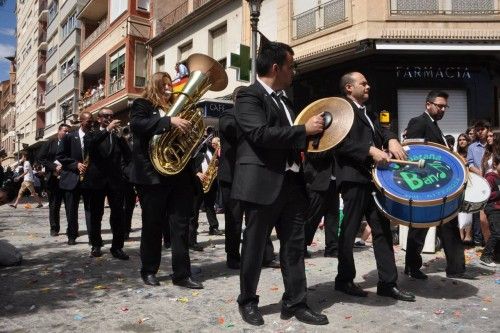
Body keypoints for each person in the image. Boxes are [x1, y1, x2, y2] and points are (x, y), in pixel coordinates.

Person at [231, 39, 328, 326]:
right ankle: (247, 301)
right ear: (276, 67)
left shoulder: (286, 100)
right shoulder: (249, 96)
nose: (293, 71)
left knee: (295, 247)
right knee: (255, 246)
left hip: (292, 183)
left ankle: (295, 302)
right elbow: (259, 134)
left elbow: (293, 137)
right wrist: (303, 129)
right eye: (290, 66)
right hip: (262, 183)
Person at [333, 72, 415, 302]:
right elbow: (338, 142)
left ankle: (388, 283)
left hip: (374, 179)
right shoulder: (340, 108)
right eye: (363, 83)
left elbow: (382, 129)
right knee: (349, 232)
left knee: (382, 230)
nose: (368, 86)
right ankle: (344, 280)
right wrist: (370, 150)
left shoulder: (368, 111)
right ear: (349, 88)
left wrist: (391, 139)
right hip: (353, 178)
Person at [129, 71, 202, 289]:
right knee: (153, 224)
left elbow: (188, 141)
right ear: (155, 85)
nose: (169, 88)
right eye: (165, 85)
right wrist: (169, 120)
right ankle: (149, 270)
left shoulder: (177, 106)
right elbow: (137, 125)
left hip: (178, 176)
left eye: (170, 85)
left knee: (180, 226)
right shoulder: (142, 104)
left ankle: (182, 274)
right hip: (152, 176)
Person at [404, 90, 471, 280]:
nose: (443, 109)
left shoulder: (435, 126)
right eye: (439, 105)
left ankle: (456, 268)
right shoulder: (419, 122)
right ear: (428, 104)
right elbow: (412, 152)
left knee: (448, 225)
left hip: (442, 187)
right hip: (427, 187)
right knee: (419, 227)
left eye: (445, 107)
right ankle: (412, 267)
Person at [219, 86, 277, 269]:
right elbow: (229, 128)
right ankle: (233, 256)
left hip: (253, 174)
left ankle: (266, 255)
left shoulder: (257, 116)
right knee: (234, 220)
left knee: (260, 218)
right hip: (232, 175)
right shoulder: (228, 114)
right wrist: (246, 113)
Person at [82, 108, 130, 260]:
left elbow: (128, 156)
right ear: (99, 119)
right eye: (106, 116)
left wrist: (123, 138)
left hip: (115, 180)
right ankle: (96, 245)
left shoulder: (117, 136)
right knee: (96, 214)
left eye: (111, 115)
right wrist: (107, 130)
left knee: (118, 214)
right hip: (96, 180)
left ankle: (117, 247)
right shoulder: (92, 133)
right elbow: (90, 145)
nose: (109, 118)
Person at [56, 112, 94, 245]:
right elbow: (60, 156)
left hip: (89, 179)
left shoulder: (93, 137)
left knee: (91, 209)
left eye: (92, 121)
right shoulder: (69, 137)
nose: (91, 124)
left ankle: (92, 237)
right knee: (71, 209)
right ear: (81, 121)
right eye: (88, 121)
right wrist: (75, 164)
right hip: (72, 178)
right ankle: (72, 235)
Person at [303, 149, 340, 258]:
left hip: (334, 182)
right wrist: (333, 144)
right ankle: (301, 246)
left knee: (333, 216)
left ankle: (332, 248)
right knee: (311, 217)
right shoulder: (313, 137)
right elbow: (314, 155)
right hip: (316, 181)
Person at [190, 135, 223, 247]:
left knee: (210, 206)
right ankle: (191, 239)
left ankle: (213, 227)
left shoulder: (210, 149)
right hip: (197, 183)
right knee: (194, 211)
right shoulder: (193, 150)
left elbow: (215, 160)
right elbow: (188, 164)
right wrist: (196, 173)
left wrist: (217, 164)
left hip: (210, 181)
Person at [38, 123, 71, 236]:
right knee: (54, 205)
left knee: (69, 205)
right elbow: (41, 158)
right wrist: (53, 166)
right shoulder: (50, 143)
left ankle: (71, 229)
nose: (67, 133)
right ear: (59, 131)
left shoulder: (70, 143)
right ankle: (54, 228)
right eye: (65, 131)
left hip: (67, 178)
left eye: (68, 131)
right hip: (52, 179)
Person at [467, 120, 491, 246]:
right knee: (480, 213)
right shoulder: (472, 147)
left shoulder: (493, 144)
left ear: (488, 130)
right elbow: (470, 163)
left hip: (494, 180)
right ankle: (481, 240)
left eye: (482, 129)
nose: (480, 132)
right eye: (478, 130)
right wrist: (480, 173)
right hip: (480, 181)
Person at [480, 153, 500, 267]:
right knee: (496, 233)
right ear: (495, 164)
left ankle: (496, 256)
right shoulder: (490, 177)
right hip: (493, 209)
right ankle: (485, 256)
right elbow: (485, 194)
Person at [455, 133, 473, 245]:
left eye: (464, 139)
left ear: (467, 141)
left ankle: (468, 235)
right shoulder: (456, 154)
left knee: (469, 209)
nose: (461, 141)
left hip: (471, 183)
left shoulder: (470, 154)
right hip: (460, 183)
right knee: (460, 210)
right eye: (460, 140)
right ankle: (460, 235)